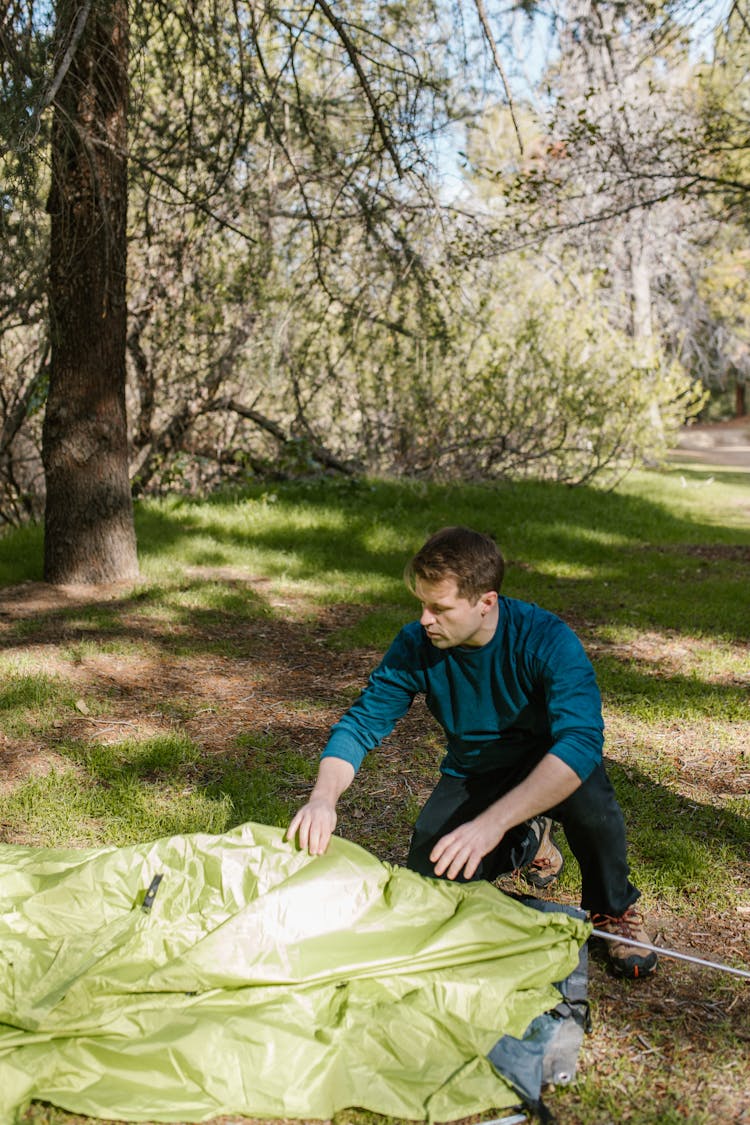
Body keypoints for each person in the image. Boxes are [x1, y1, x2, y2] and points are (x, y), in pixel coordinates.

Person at [287, 526, 656, 979]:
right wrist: (323, 798)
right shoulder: (416, 645)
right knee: (432, 886)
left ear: (486, 602)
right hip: (475, 772)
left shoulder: (547, 641)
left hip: (551, 767)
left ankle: (611, 909)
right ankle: (527, 841)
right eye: (422, 604)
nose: (425, 619)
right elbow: (361, 725)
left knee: (593, 805)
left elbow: (580, 745)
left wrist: (490, 824)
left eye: (439, 608)